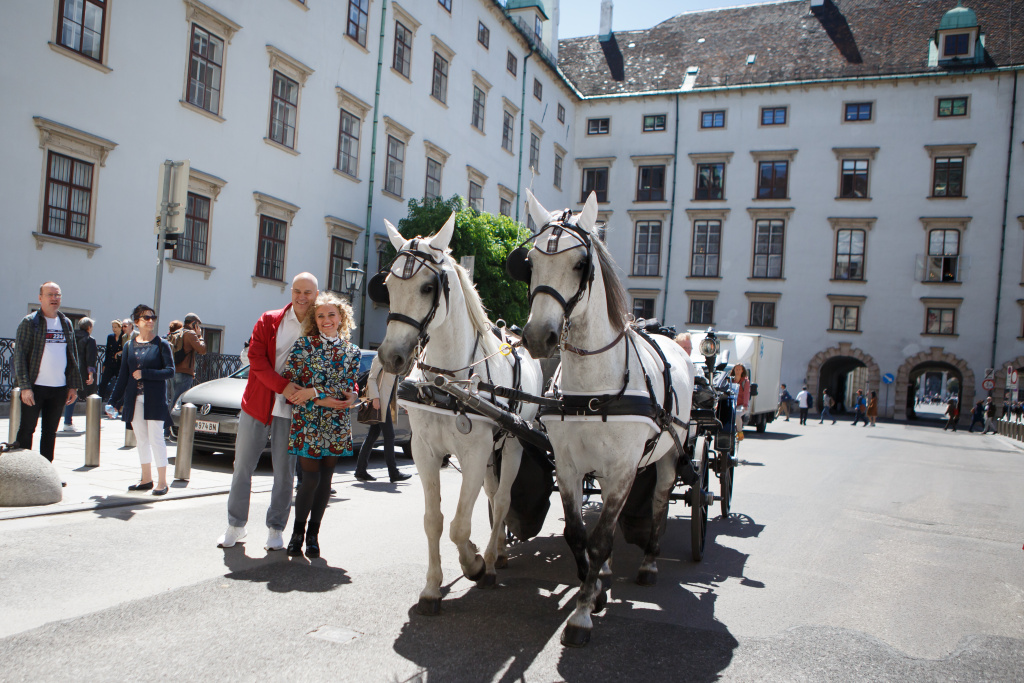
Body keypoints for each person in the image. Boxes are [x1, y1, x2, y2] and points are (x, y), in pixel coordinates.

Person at [216, 273, 319, 551]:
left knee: (284, 473)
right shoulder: (269, 319)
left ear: (316, 295)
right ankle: (235, 525)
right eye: (297, 291)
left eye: (308, 292)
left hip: (292, 409)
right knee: (242, 467)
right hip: (258, 404)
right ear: (291, 292)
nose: (301, 297)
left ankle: (276, 528)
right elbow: (256, 359)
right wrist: (282, 386)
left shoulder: (319, 325)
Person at [283, 292, 361, 558]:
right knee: (310, 480)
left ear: (341, 317)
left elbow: (346, 386)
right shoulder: (304, 345)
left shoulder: (352, 351)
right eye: (320, 315)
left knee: (326, 480)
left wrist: (316, 392)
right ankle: (297, 533)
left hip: (336, 420)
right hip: (308, 420)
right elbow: (290, 382)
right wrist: (317, 398)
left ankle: (313, 536)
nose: (326, 320)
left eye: (331, 314)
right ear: (314, 320)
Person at [13, 282, 83, 466]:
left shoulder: (66, 322)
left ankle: (46, 471)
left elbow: (72, 356)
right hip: (34, 387)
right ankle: (23, 470)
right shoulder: (30, 322)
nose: (54, 298)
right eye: (50, 294)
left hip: (59, 388)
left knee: (50, 432)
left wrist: (73, 386)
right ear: (40, 298)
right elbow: (19, 356)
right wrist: (25, 387)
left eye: (57, 295)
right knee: (27, 429)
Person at [109, 304, 175, 495]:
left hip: (154, 398)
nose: (150, 321)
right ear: (136, 321)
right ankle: (146, 479)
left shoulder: (161, 344)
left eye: (153, 317)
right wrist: (113, 401)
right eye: (146, 318)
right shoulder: (129, 345)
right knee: (141, 439)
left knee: (156, 439)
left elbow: (170, 371)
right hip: (134, 398)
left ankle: (162, 482)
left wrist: (145, 373)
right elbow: (123, 376)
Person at [354, 355, 412, 483]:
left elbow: (394, 386)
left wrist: (403, 404)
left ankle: (360, 470)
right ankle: (393, 472)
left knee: (372, 436)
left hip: (386, 402)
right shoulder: (381, 357)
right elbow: (372, 378)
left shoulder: (394, 360)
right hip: (380, 403)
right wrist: (375, 398)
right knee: (389, 436)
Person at [62, 317, 98, 432]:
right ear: (89, 327)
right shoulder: (90, 339)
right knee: (91, 395)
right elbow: (90, 358)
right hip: (83, 371)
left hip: (69, 369)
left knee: (71, 394)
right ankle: (92, 422)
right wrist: (91, 374)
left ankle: (67, 421)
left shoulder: (71, 336)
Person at [168, 313, 207, 410]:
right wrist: (200, 336)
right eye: (197, 325)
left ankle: (168, 418)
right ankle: (171, 419)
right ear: (193, 323)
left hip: (173, 371)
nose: (198, 327)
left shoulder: (177, 332)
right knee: (178, 402)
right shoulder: (190, 334)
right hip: (185, 373)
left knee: (172, 400)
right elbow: (202, 350)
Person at [98, 319, 122, 402]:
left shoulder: (124, 337)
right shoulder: (110, 337)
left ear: (120, 327)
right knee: (103, 382)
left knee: (119, 383)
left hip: (119, 364)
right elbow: (107, 351)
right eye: (113, 327)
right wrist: (104, 364)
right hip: (110, 363)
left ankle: (118, 401)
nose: (114, 329)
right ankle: (100, 400)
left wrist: (120, 352)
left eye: (115, 327)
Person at [732, 364, 750, 441]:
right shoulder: (730, 380)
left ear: (742, 371)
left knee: (737, 414)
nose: (738, 371)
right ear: (734, 370)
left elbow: (746, 394)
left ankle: (740, 432)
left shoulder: (745, 382)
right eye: (736, 369)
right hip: (731, 403)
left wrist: (745, 405)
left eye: (739, 369)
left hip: (741, 405)